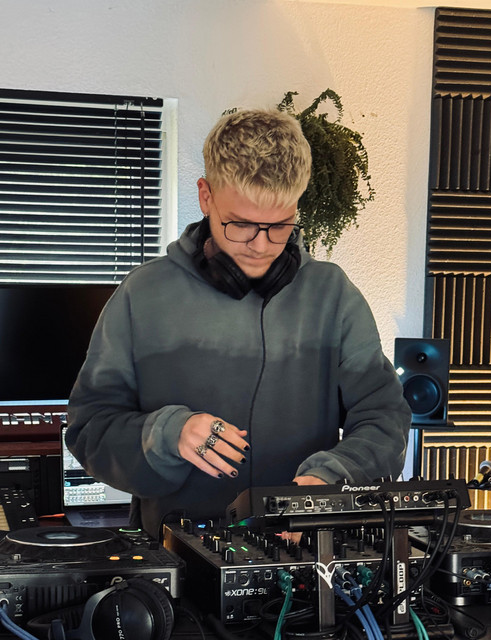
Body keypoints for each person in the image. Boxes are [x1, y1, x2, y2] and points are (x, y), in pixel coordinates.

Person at [66, 109, 412, 540]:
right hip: (173, 556)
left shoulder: (333, 295)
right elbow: (90, 430)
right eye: (242, 224)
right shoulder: (141, 294)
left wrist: (327, 482)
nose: (261, 246)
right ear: (205, 196)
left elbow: (385, 419)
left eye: (279, 226)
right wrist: (168, 434)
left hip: (309, 557)